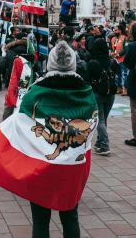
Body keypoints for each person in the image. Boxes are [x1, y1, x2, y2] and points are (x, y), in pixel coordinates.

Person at [29, 41, 96, 238]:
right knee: (70, 215)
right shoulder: (85, 92)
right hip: (71, 166)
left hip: (42, 165)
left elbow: (23, 122)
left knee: (40, 219)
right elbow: (92, 123)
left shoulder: (36, 92)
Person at [87, 33, 117, 155]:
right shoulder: (111, 61)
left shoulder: (93, 62)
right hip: (111, 93)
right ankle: (99, 143)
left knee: (100, 120)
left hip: (98, 93)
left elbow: (88, 79)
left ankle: (104, 146)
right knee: (104, 120)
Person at [3, 46, 35, 121]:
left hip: (16, 96)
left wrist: (11, 98)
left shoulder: (19, 61)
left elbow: (14, 81)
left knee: (8, 119)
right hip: (26, 95)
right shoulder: (30, 62)